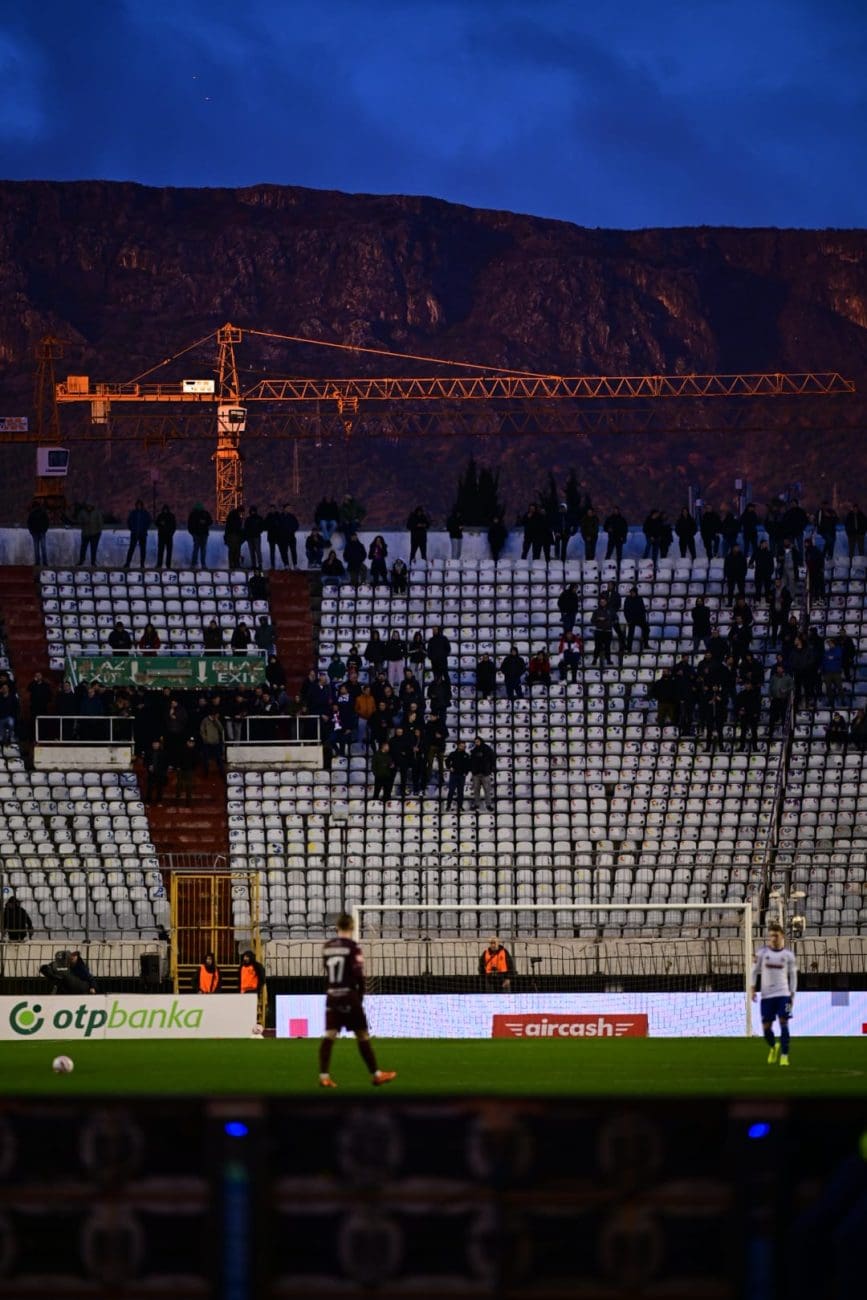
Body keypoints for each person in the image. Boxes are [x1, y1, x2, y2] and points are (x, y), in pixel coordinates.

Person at [318, 912, 397, 1088]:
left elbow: (328, 973)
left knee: (330, 1035)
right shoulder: (353, 948)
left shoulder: (327, 947)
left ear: (337, 927)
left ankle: (324, 1076)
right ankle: (376, 1074)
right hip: (349, 996)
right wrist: (359, 997)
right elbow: (359, 976)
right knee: (362, 1035)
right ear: (352, 928)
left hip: (332, 996)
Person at [750, 923, 796, 1066]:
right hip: (767, 996)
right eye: (771, 936)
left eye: (776, 935)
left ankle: (784, 1055)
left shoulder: (788, 955)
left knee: (784, 1022)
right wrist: (752, 989)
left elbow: (793, 976)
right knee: (766, 1028)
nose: (773, 938)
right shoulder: (762, 953)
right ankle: (773, 1046)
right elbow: (753, 971)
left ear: (782, 936)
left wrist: (792, 995)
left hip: (784, 994)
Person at [469, 736, 495, 811]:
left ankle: (488, 805)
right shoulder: (474, 750)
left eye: (477, 741)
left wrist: (490, 769)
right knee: (476, 790)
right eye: (475, 742)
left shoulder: (487, 749)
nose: (476, 743)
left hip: (485, 774)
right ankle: (477, 805)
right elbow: (471, 761)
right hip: (476, 774)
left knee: (487, 790)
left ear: (481, 741)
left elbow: (492, 758)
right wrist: (473, 770)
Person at [124, 498, 151, 569]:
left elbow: (149, 521)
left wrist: (145, 528)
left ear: (141, 505)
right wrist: (132, 528)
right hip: (135, 533)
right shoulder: (133, 513)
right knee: (131, 549)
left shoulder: (145, 513)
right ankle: (127, 563)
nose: (139, 506)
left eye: (140, 505)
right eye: (138, 505)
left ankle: (142, 564)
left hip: (142, 534)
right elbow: (129, 521)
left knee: (143, 550)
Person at [445, 740, 471, 812]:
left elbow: (469, 765)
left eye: (464, 746)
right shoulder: (453, 754)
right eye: (461, 746)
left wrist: (466, 772)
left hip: (462, 776)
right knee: (451, 791)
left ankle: (460, 807)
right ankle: (448, 806)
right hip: (453, 775)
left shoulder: (466, 755)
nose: (463, 747)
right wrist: (450, 767)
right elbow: (447, 761)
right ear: (458, 746)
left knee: (460, 792)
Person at [188, 502, 212, 569]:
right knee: (201, 550)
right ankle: (200, 564)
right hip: (200, 534)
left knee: (198, 549)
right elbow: (190, 525)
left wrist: (205, 522)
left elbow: (210, 521)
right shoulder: (202, 513)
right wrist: (193, 533)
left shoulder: (193, 514)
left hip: (202, 534)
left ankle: (196, 564)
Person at [27, 500, 50, 566]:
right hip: (41, 532)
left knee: (37, 548)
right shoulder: (42, 512)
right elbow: (47, 522)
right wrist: (44, 530)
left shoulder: (32, 513)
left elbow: (29, 523)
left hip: (36, 532)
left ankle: (38, 563)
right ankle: (44, 563)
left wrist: (31, 531)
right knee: (43, 548)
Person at [155, 504, 176, 568]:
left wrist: (171, 533)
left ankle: (168, 565)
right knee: (160, 551)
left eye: (166, 509)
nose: (165, 510)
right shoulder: (160, 515)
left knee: (169, 551)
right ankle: (159, 564)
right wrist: (160, 523)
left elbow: (174, 526)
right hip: (161, 536)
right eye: (164, 509)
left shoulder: (171, 516)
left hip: (169, 536)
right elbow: (156, 523)